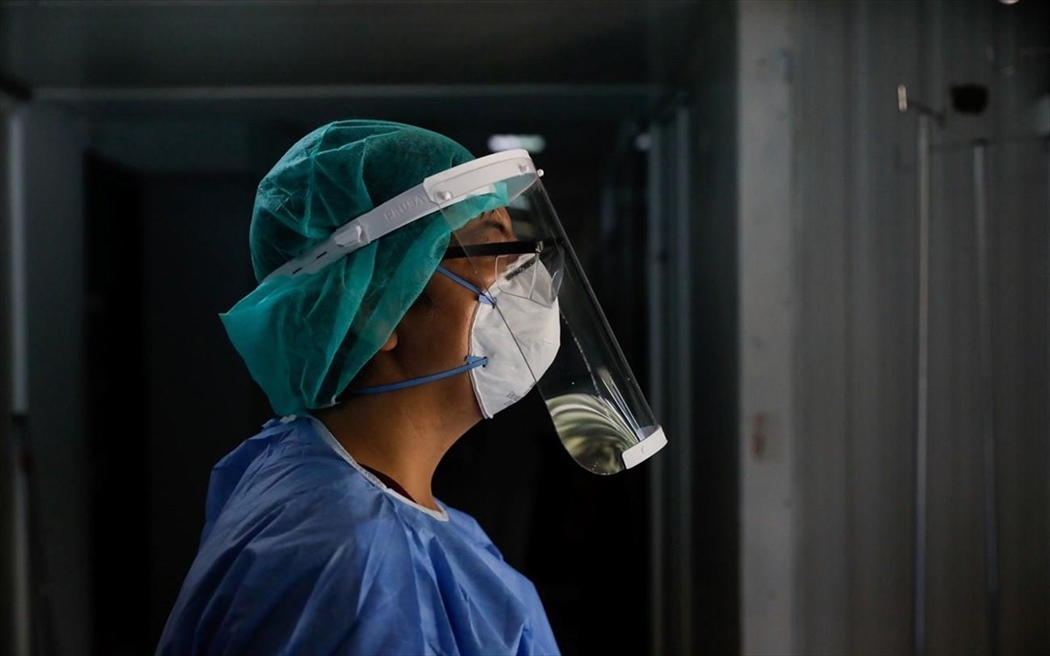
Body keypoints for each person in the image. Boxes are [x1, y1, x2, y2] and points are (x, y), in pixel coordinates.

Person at [157, 118, 666, 656]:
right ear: (374, 310)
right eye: (493, 248)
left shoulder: (333, 491)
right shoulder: (353, 562)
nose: (528, 273)